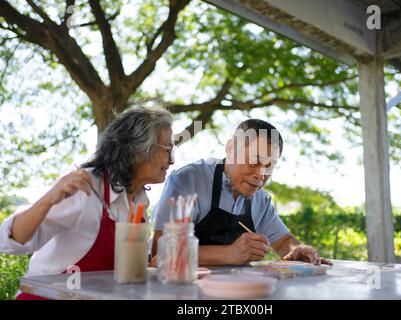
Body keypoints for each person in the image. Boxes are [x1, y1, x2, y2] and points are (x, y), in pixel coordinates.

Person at [0, 107, 175, 299]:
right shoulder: (85, 189)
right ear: (139, 149)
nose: (172, 160)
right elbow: (11, 243)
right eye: (168, 149)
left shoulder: (139, 202)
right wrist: (49, 198)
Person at [151, 119, 332, 266]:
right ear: (230, 149)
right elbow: (160, 252)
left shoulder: (261, 200)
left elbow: (284, 243)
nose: (261, 175)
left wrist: (298, 248)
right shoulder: (188, 180)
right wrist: (229, 254)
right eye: (254, 162)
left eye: (269, 166)